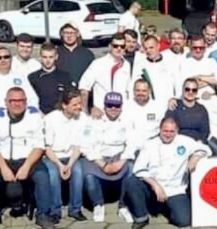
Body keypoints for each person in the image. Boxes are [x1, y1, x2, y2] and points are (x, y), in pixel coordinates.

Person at [0, 87, 55, 229]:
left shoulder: (34, 116)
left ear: (26, 102)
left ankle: (43, 215)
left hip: (27, 159)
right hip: (2, 159)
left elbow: (39, 146)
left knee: (42, 176)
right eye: (13, 100)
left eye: (21, 100)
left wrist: (26, 167)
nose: (17, 104)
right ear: (6, 103)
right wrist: (3, 168)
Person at [121, 117, 208, 228]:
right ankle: (141, 217)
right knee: (131, 182)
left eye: (172, 131)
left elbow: (205, 149)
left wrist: (196, 156)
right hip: (152, 188)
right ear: (160, 129)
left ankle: (167, 208)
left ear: (177, 131)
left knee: (184, 221)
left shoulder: (185, 141)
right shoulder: (150, 144)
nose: (168, 134)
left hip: (175, 189)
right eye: (165, 131)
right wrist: (155, 185)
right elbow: (139, 168)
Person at [83, 92, 132, 223]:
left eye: (117, 106)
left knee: (132, 169)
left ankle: (124, 205)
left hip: (119, 156)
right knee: (88, 174)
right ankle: (98, 204)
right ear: (104, 107)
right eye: (110, 105)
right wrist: (102, 164)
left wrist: (121, 161)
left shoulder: (127, 120)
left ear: (121, 107)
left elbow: (133, 143)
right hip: (99, 157)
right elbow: (86, 145)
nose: (113, 109)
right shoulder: (93, 121)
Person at [42, 92, 89, 222]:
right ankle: (55, 211)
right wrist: (60, 165)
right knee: (52, 174)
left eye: (79, 103)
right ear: (64, 105)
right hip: (52, 157)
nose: (79, 107)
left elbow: (77, 147)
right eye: (74, 104)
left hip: (71, 156)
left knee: (78, 172)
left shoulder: (82, 118)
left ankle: (75, 209)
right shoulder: (51, 119)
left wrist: (69, 165)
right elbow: (47, 148)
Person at [0, 47, 39, 119]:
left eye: (6, 57)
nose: (3, 60)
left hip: (19, 121)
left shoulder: (21, 78)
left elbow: (32, 97)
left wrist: (32, 107)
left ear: (11, 59)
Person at [79, 37, 133, 117]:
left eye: (122, 46)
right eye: (115, 46)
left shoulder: (127, 65)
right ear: (110, 46)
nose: (119, 49)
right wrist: (85, 113)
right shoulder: (98, 64)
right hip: (101, 113)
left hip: (122, 114)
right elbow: (84, 88)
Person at [122, 80, 166, 156]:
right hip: (130, 150)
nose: (140, 93)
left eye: (144, 91)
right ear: (133, 91)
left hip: (152, 150)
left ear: (149, 91)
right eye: (138, 90)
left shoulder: (159, 107)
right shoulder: (125, 106)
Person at [28, 44, 75, 115]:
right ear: (40, 57)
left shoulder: (65, 76)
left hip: (60, 116)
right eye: (45, 57)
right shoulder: (33, 77)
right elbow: (30, 100)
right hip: (39, 115)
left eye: (51, 57)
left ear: (56, 57)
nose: (48, 60)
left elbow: (70, 98)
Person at [131, 36, 178, 102]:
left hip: (168, 104)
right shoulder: (139, 65)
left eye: (151, 47)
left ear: (158, 46)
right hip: (148, 105)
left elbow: (178, 85)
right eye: (146, 48)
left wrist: (175, 99)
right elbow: (133, 86)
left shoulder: (170, 63)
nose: (148, 51)